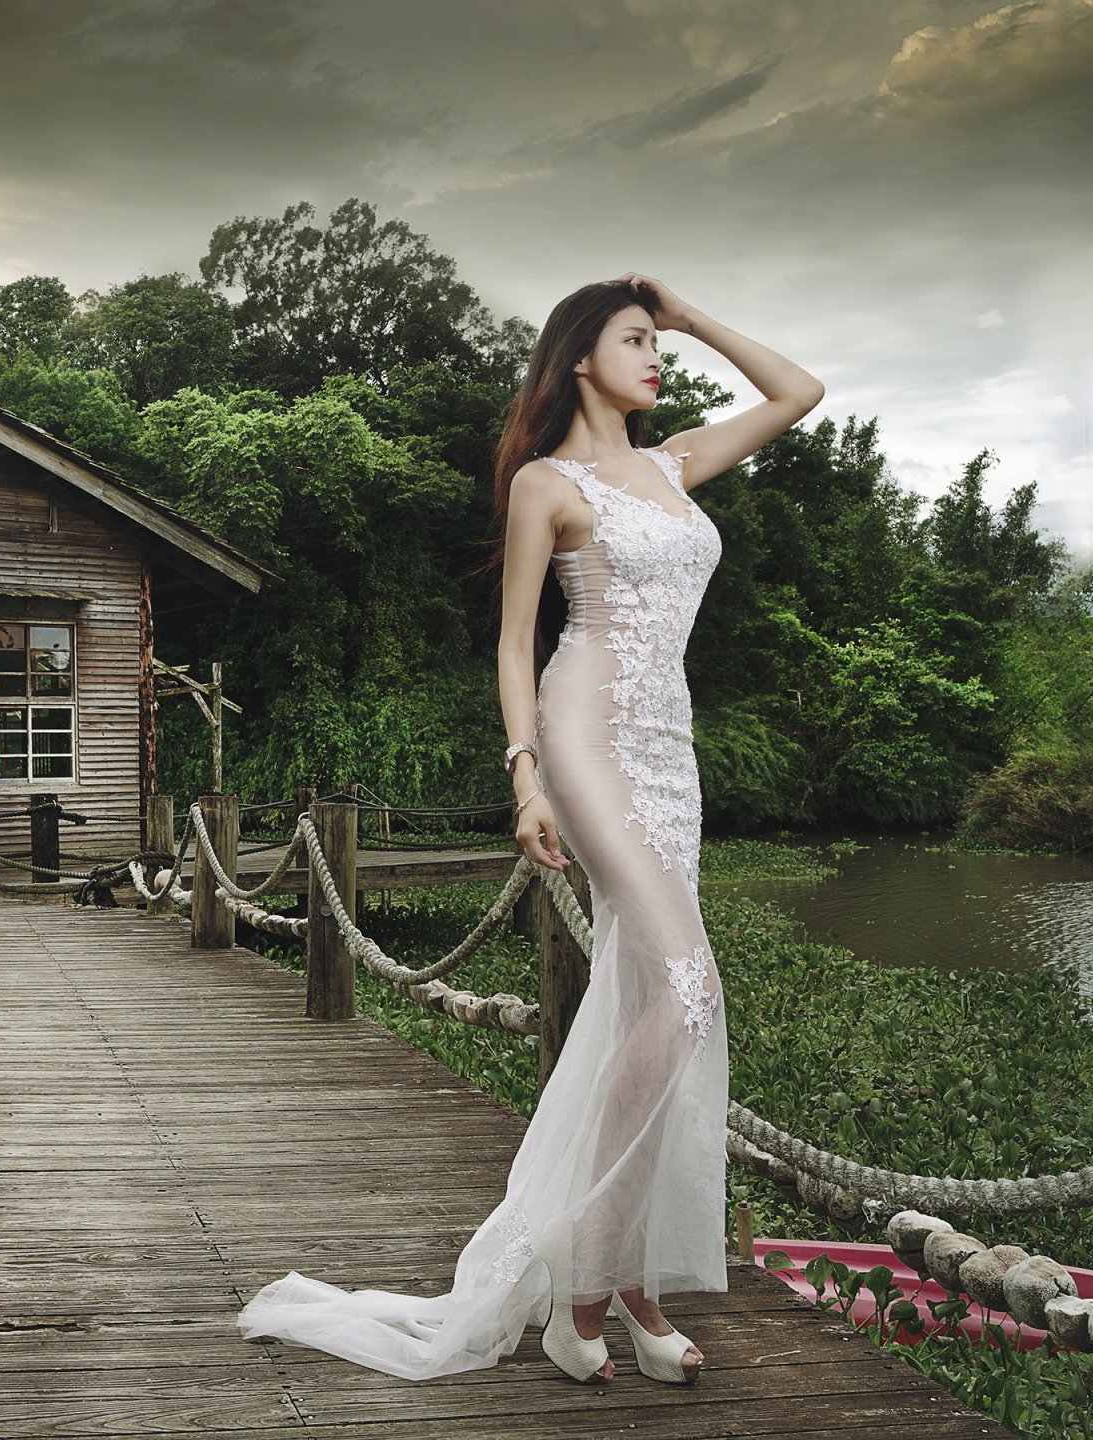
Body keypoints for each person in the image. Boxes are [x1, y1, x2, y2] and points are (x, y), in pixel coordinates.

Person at [235, 273, 824, 1385]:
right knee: (689, 991)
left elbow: (801, 390)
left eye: (662, 342)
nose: (658, 358)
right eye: (637, 340)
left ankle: (630, 1283)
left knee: (654, 1002)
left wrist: (692, 314)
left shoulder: (673, 463)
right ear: (579, 358)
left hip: (670, 751)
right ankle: (588, 1286)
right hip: (585, 736)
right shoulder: (546, 486)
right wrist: (526, 780)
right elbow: (514, 644)